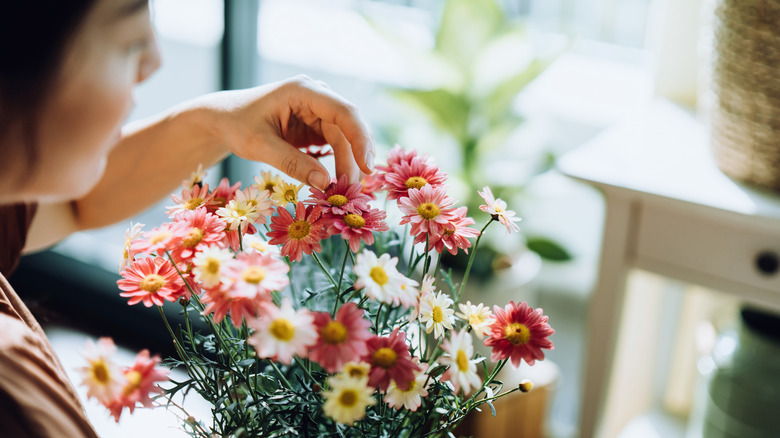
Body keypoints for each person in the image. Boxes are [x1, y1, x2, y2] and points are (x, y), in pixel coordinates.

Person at [0, 0, 374, 436]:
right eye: (128, 37)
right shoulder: (13, 396)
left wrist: (216, 124)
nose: (155, 60)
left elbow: (75, 203)